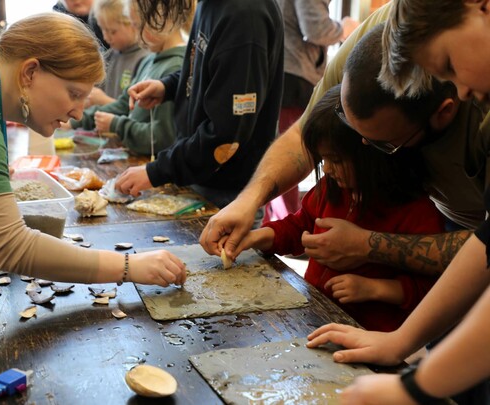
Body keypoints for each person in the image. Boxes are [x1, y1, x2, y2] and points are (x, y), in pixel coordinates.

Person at [0, 12, 187, 289]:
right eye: (74, 93)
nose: (79, 112)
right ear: (30, 72)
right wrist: (127, 265)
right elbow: (9, 246)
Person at [199, 2, 489, 277]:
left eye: (381, 145)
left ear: (443, 114)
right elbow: (302, 134)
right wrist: (247, 202)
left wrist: (370, 248)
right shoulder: (389, 30)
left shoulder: (475, 108)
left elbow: (481, 246)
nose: (463, 90)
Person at [306, 1, 490, 404]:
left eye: (449, 65)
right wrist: (400, 343)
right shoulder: (391, 28)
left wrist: (413, 388)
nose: (460, 92)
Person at [235, 84, 443, 332]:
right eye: (323, 160)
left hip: (366, 335)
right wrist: (256, 237)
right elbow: (300, 227)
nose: (329, 170)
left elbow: (432, 290)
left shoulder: (415, 212)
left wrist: (375, 289)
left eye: (336, 160)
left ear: (374, 151)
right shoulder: (331, 188)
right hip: (315, 315)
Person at [115, 0, 284, 209]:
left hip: (227, 192)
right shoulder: (213, 5)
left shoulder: (244, 17)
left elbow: (226, 135)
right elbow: (210, 73)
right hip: (200, 176)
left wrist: (157, 171)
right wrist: (168, 86)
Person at [264, 0, 359, 221]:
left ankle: (278, 226)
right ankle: (287, 227)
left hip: (286, 73)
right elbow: (316, 28)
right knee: (294, 149)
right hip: (294, 76)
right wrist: (344, 28)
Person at [69, 0, 186, 156]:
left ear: (158, 20)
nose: (136, 35)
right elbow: (123, 105)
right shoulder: (149, 60)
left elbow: (162, 138)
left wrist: (117, 125)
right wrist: (79, 120)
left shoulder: (174, 66)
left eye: (137, 26)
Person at [86, 0, 149, 106]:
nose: (106, 37)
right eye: (103, 30)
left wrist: (104, 101)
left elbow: (138, 112)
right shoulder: (109, 56)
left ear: (132, 24)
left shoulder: (145, 58)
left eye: (112, 31)